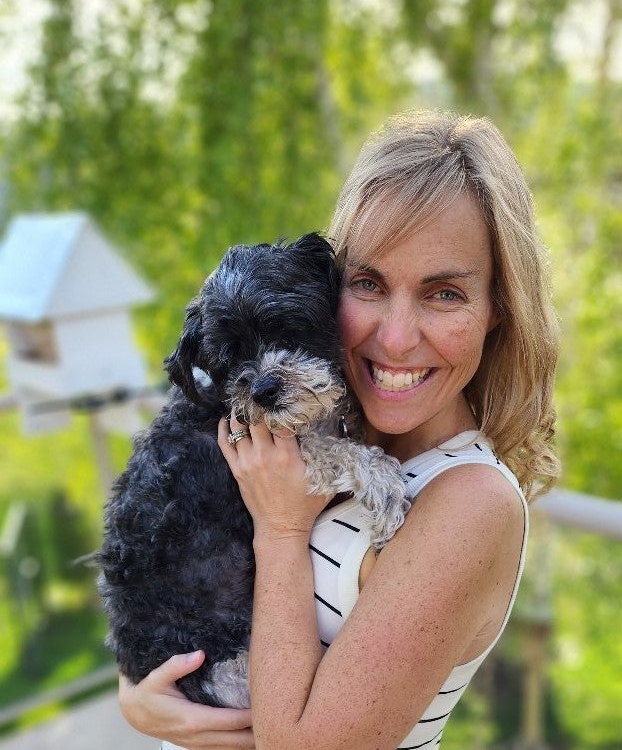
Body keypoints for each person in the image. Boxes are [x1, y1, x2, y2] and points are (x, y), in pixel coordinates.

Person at [118, 110, 560, 749]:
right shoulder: (316, 433)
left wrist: (282, 526)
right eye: (369, 284)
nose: (398, 337)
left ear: (498, 311)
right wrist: (141, 698)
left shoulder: (468, 504)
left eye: (445, 294)